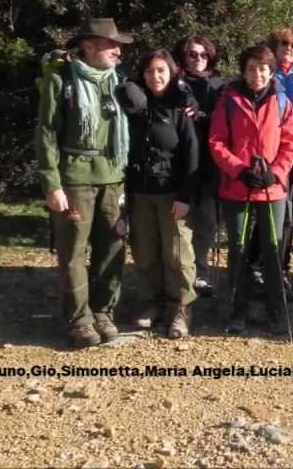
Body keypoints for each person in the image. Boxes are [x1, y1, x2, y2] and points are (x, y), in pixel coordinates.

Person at [35, 18, 133, 348]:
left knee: (113, 248)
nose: (118, 51)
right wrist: (52, 183)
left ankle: (103, 311)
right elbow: (46, 133)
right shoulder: (61, 80)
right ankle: (79, 319)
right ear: (88, 46)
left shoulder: (118, 82)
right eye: (111, 44)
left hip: (113, 176)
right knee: (73, 252)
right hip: (75, 177)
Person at [207, 45, 293, 335]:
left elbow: (290, 143)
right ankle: (237, 311)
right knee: (239, 250)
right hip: (238, 187)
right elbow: (216, 142)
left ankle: (277, 311)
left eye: (262, 68)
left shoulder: (282, 101)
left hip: (272, 189)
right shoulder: (228, 100)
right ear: (243, 71)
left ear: (271, 71)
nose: (257, 74)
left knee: (272, 252)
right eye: (251, 68)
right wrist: (239, 170)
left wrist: (276, 173)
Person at [117, 50, 200, 338]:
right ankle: (152, 303)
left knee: (177, 255)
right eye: (150, 71)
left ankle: (181, 308)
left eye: (162, 70)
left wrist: (185, 197)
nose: (156, 77)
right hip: (140, 193)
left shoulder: (181, 108)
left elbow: (192, 155)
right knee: (146, 254)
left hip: (172, 194)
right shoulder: (133, 107)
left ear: (172, 73)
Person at [173, 35, 226, 303]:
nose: (197, 59)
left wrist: (205, 117)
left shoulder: (220, 85)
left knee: (207, 221)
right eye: (192, 54)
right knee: (180, 222)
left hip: (210, 163)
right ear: (183, 56)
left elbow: (225, 119)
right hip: (178, 162)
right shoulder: (174, 83)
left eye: (203, 54)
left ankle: (201, 271)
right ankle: (181, 274)